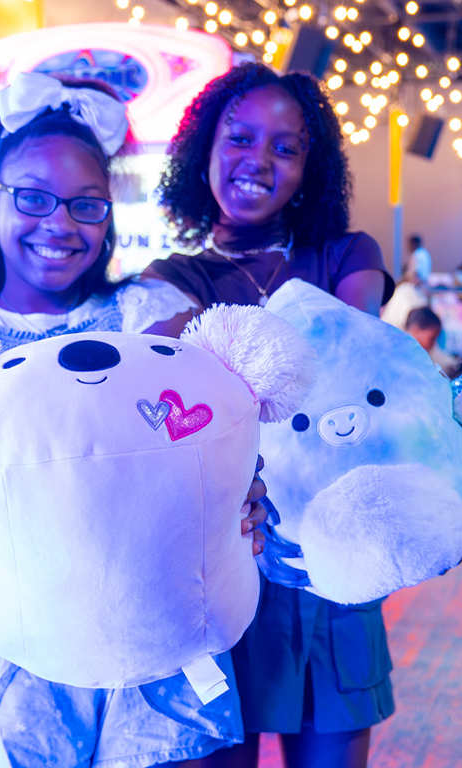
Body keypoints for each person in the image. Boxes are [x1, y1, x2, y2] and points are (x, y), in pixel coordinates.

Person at [0, 71, 269, 768]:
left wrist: (237, 486)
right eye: (33, 199)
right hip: (4, 647)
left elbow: (212, 423)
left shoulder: (146, 314)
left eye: (85, 205)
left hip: (148, 626)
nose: (60, 225)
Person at [147, 62, 396, 768]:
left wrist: (209, 341)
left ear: (310, 170)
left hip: (330, 564)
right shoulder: (170, 275)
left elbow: (347, 366)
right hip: (218, 566)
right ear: (205, 149)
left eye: (286, 148)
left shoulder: (348, 254)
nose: (258, 160)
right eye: (240, 138)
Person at [405, 306, 461, 376]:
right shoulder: (403, 356)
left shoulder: (421, 355)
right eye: (432, 338)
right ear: (415, 330)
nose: (433, 344)